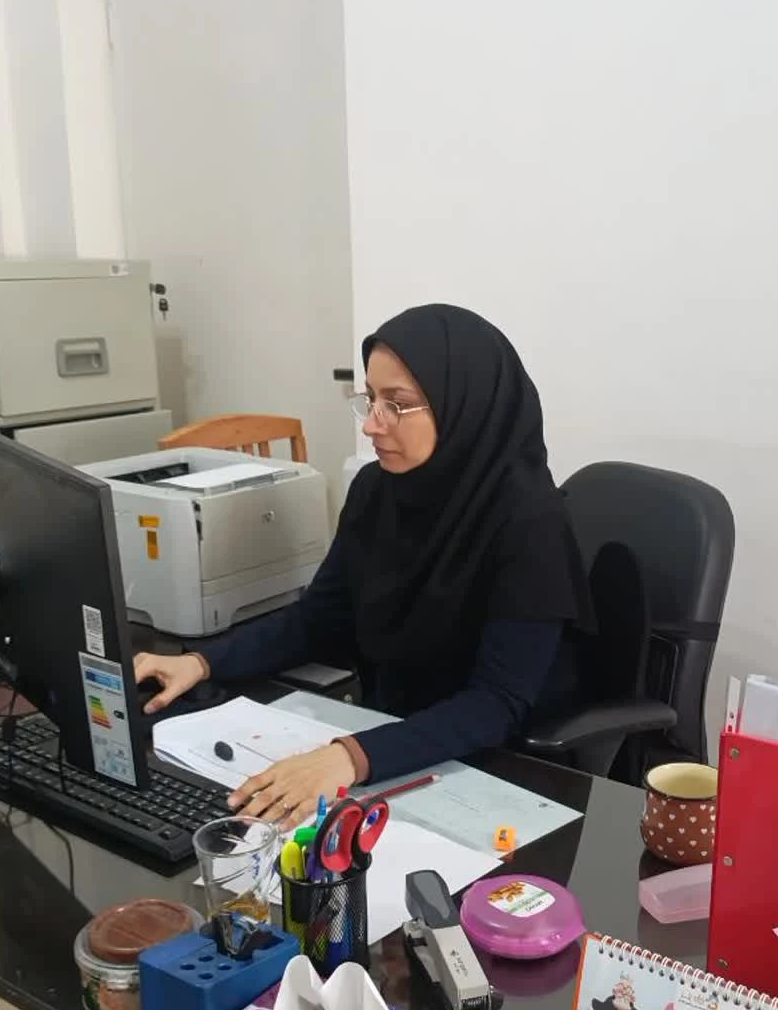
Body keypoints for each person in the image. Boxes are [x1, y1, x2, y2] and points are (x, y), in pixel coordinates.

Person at [133, 304, 593, 826]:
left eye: (398, 404)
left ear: (463, 404)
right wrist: (202, 662)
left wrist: (348, 758)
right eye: (371, 399)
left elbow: (496, 704)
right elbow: (318, 620)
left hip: (506, 771)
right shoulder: (378, 490)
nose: (373, 424)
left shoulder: (530, 522)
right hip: (393, 737)